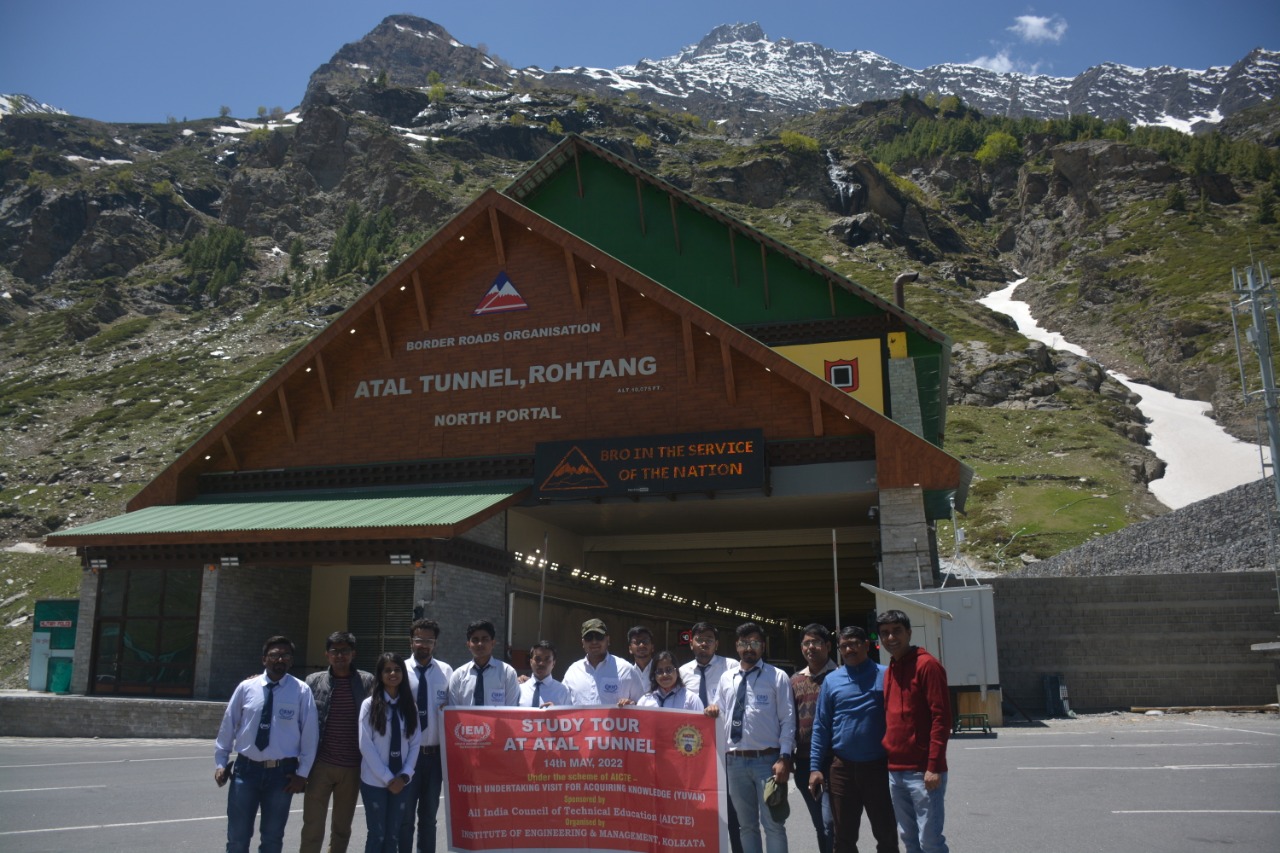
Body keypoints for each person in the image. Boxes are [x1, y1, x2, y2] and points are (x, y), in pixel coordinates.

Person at [213, 635, 318, 853]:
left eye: (285, 655)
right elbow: (228, 725)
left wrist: (303, 774)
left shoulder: (301, 691)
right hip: (245, 771)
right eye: (274, 655)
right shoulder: (246, 687)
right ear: (264, 660)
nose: (280, 659)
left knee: (272, 839)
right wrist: (220, 763)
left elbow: (310, 735)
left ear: (290, 661)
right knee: (237, 838)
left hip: (282, 775)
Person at [705, 622, 795, 853]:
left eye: (754, 643)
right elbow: (719, 713)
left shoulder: (777, 676)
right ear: (737, 646)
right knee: (747, 826)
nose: (749, 648)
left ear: (762, 646)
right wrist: (712, 711)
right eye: (744, 643)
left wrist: (784, 757)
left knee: (774, 824)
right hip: (735, 762)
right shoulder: (727, 678)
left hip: (768, 761)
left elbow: (787, 719)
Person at [809, 626, 898, 853]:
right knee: (843, 838)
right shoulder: (832, 681)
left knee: (886, 833)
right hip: (842, 769)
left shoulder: (886, 675)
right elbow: (821, 726)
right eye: (844, 646)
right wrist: (815, 768)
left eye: (854, 644)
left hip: (878, 767)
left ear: (866, 645)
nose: (849, 649)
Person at [878, 610, 951, 853]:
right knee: (909, 839)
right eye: (885, 633)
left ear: (909, 632)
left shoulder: (927, 665)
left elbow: (941, 718)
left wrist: (933, 765)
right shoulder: (890, 671)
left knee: (929, 842)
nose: (891, 637)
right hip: (895, 772)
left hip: (923, 772)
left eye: (897, 631)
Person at [301, 631, 375, 853]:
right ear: (326, 655)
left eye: (345, 651)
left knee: (342, 827)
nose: (340, 655)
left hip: (352, 767)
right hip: (320, 765)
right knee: (312, 825)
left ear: (354, 654)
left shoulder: (367, 681)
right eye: (335, 651)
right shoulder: (313, 682)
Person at [678, 620, 742, 853]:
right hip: (694, 753)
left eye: (709, 639)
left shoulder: (732, 666)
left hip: (726, 749)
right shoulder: (681, 673)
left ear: (717, 644)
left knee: (734, 811)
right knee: (699, 809)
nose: (704, 643)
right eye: (699, 639)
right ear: (691, 643)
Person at [359, 652, 423, 853]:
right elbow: (365, 745)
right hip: (375, 781)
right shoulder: (369, 705)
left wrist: (404, 776)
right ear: (380, 675)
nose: (393, 673)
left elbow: (415, 743)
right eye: (387, 670)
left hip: (401, 781)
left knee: (394, 834)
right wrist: (388, 778)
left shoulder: (409, 706)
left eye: (397, 669)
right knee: (377, 834)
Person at [401, 618, 454, 853]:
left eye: (429, 641)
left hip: (434, 757)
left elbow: (455, 709)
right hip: (406, 757)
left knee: (428, 819)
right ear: (411, 641)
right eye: (419, 640)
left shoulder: (446, 671)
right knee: (404, 818)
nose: (423, 645)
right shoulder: (399, 670)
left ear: (435, 643)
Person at [791, 624, 837, 853]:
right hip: (804, 763)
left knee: (832, 823)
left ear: (828, 646)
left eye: (816, 642)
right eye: (806, 643)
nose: (811, 647)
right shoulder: (795, 681)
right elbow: (788, 722)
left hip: (834, 762)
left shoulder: (840, 676)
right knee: (820, 825)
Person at [562, 618, 646, 706]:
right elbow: (561, 704)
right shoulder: (573, 671)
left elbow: (643, 706)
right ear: (583, 643)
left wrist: (632, 704)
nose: (594, 642)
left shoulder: (626, 669)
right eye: (589, 638)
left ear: (608, 640)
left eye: (599, 637)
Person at [446, 619, 521, 706]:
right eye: (475, 640)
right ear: (468, 645)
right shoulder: (458, 676)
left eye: (485, 639)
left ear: (493, 643)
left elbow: (511, 711)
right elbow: (454, 712)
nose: (480, 644)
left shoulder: (507, 673)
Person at [636, 650, 703, 710]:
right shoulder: (644, 701)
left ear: (676, 671)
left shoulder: (691, 700)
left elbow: (701, 723)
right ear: (654, 675)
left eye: (669, 670)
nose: (664, 674)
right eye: (659, 671)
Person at [520, 640, 575, 707]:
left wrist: (555, 712)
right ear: (531, 662)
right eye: (538, 659)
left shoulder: (563, 692)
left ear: (553, 663)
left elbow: (568, 716)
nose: (541, 663)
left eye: (547, 659)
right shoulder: (520, 690)